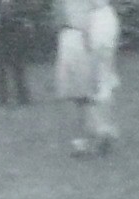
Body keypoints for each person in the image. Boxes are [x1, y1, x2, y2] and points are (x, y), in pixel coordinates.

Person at [49, 0, 109, 153]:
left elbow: (85, 18)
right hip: (72, 37)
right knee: (77, 94)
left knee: (81, 93)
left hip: (80, 38)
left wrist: (88, 40)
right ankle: (94, 134)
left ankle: (92, 135)